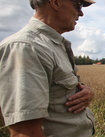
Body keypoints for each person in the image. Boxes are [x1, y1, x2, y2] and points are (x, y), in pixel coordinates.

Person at [0, 0, 96, 136]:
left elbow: (56, 90)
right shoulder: (27, 47)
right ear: (55, 3)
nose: (81, 13)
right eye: (78, 5)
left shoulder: (51, 44)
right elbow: (25, 132)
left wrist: (86, 91)